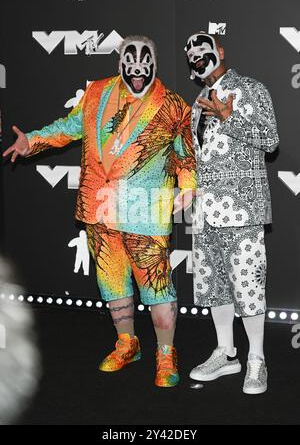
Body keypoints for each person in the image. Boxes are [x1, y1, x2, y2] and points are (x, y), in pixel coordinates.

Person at [3, 35, 197, 388]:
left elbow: (185, 153)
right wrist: (31, 140)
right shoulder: (96, 94)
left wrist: (188, 185)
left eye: (145, 64)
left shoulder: (173, 105)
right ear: (119, 62)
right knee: (111, 281)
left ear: (154, 62)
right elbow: (68, 128)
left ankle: (165, 354)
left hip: (145, 210)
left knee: (156, 285)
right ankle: (127, 344)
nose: (138, 71)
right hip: (99, 207)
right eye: (130, 63)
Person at [185, 32, 279, 394]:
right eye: (189, 54)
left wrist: (229, 117)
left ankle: (256, 359)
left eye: (202, 49)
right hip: (206, 212)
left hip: (242, 210)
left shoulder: (251, 90)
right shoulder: (198, 103)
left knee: (249, 287)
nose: (196, 56)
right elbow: (203, 157)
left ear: (219, 51)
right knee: (214, 286)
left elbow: (271, 140)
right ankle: (226, 354)